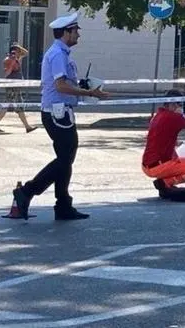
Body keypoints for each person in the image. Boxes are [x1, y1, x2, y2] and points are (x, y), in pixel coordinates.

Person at [10, 13, 110, 221]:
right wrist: (90, 93)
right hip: (57, 114)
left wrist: (83, 85)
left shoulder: (62, 54)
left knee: (66, 159)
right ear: (66, 32)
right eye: (75, 31)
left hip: (61, 112)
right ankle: (28, 191)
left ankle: (62, 204)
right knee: (65, 159)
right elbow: (60, 85)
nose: (78, 35)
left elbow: (67, 82)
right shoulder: (57, 54)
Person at [0, 42, 37, 134]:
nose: (19, 53)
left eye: (18, 52)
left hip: (16, 87)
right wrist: (12, 63)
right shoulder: (8, 60)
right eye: (17, 51)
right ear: (12, 52)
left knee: (15, 105)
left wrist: (19, 47)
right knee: (12, 105)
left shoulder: (17, 58)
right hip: (12, 87)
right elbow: (7, 74)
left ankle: (27, 127)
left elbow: (26, 53)